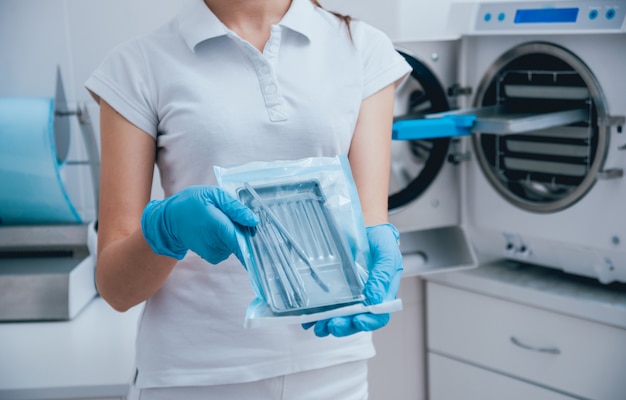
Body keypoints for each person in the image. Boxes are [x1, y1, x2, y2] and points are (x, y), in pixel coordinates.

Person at [86, 0, 410, 398]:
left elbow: (368, 222)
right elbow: (117, 290)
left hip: (334, 368)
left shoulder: (361, 47)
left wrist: (381, 243)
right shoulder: (137, 65)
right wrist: (166, 230)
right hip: (196, 376)